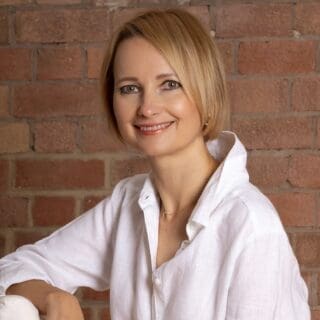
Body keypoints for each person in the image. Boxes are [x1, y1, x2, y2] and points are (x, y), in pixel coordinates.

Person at [0, 8, 310, 320]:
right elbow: (10, 270)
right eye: (129, 89)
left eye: (169, 84)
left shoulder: (250, 225)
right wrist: (53, 296)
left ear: (205, 90)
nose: (147, 107)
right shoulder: (128, 204)